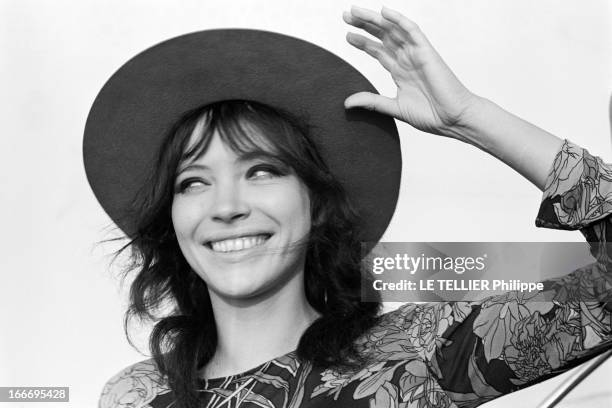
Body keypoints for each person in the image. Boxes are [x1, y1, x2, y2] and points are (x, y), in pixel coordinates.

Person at [86, 6, 612, 408]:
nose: (226, 206)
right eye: (193, 182)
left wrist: (471, 119)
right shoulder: (135, 395)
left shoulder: (415, 354)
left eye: (261, 171)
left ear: (317, 202)